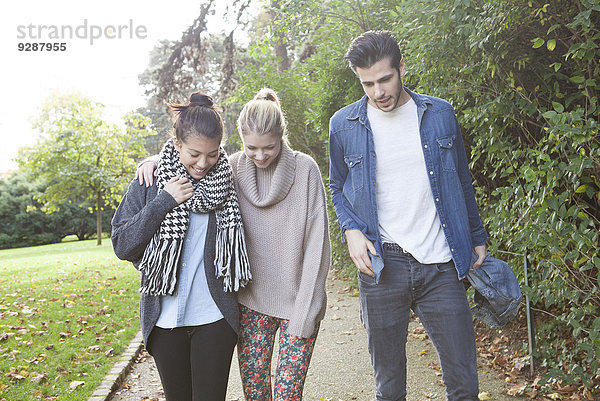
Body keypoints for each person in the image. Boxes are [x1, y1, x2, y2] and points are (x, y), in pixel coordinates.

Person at [137, 88, 331, 400]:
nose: (260, 156)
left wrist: (306, 311)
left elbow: (317, 248)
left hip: (298, 302)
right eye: (251, 147)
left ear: (283, 135)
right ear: (240, 141)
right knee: (255, 394)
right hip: (251, 304)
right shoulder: (232, 169)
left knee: (288, 396)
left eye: (268, 147)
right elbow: (191, 158)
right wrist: (155, 159)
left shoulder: (306, 169)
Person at [328, 30, 488, 401]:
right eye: (367, 83)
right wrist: (351, 229)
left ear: (402, 67)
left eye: (385, 79)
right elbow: (336, 186)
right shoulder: (344, 125)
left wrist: (477, 236)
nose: (378, 91)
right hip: (382, 266)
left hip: (441, 265)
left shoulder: (440, 114)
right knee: (389, 387)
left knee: (464, 383)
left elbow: (462, 179)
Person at [111, 92, 251, 401]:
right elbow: (122, 244)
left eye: (212, 154)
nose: (203, 163)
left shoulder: (228, 181)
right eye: (194, 154)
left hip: (214, 317)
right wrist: (164, 202)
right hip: (165, 320)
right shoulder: (150, 181)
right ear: (177, 144)